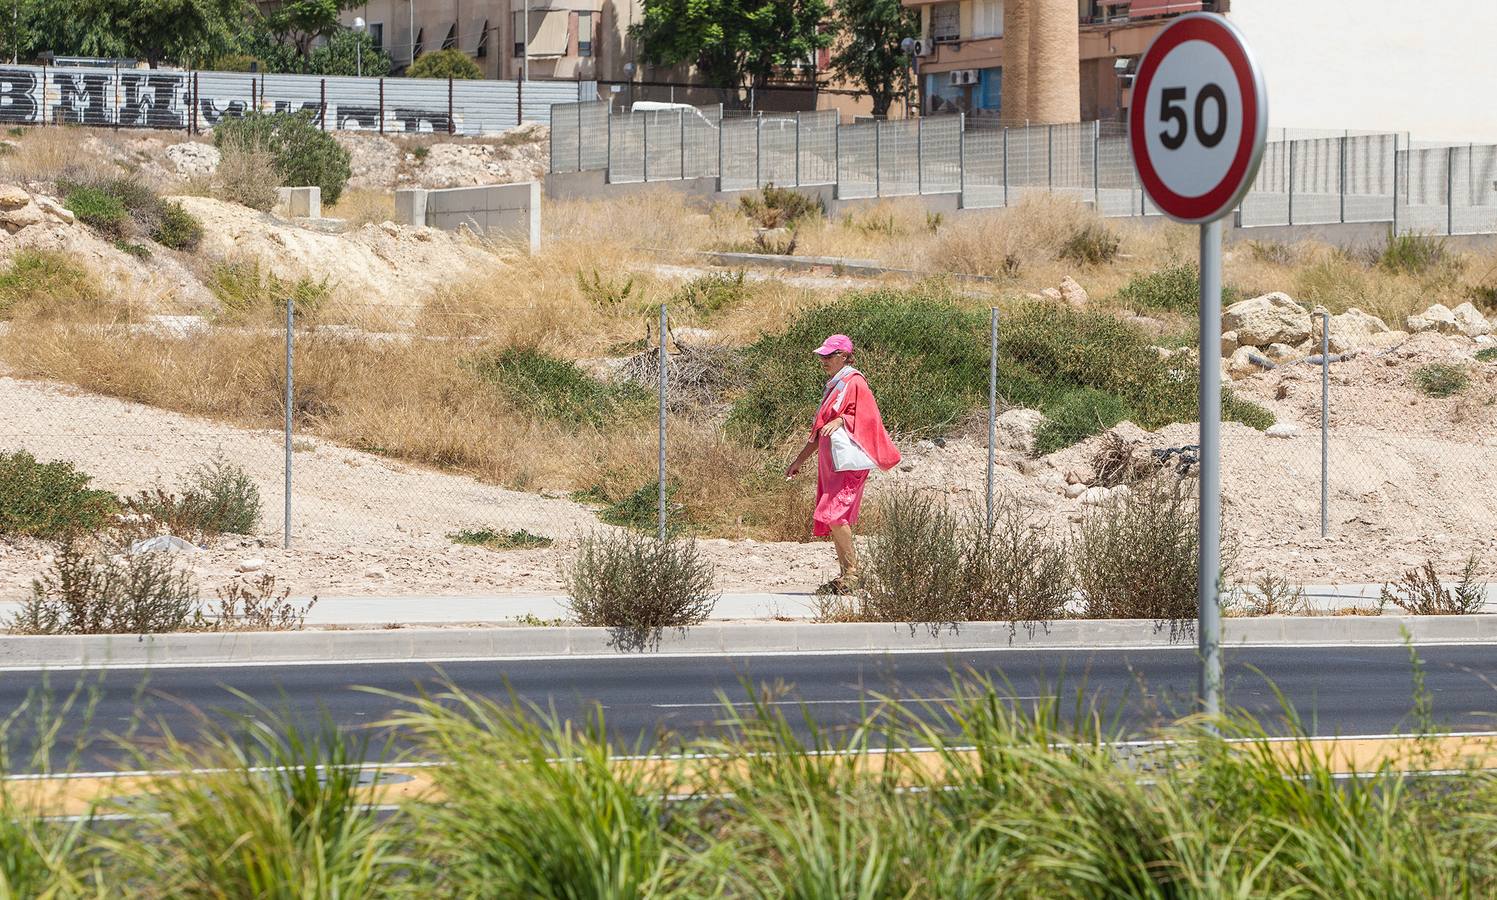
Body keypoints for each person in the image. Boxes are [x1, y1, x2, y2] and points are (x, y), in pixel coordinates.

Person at [784, 334, 901, 593]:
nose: (824, 360)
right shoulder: (836, 385)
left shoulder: (855, 382)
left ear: (845, 356)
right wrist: (799, 461)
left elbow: (869, 419)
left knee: (835, 514)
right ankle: (847, 575)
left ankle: (853, 574)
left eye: (830, 355)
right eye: (822, 356)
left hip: (846, 465)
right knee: (835, 517)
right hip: (832, 464)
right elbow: (820, 432)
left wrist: (843, 421)